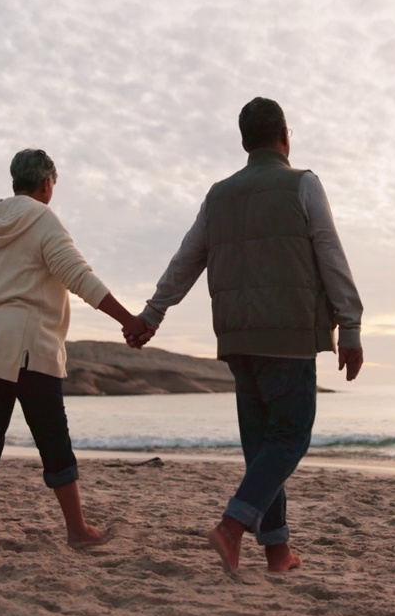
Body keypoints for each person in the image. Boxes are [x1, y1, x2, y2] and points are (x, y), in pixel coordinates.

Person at [128, 97, 364, 573]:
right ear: (285, 137)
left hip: (237, 337)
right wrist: (351, 326)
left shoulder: (218, 196)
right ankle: (232, 528)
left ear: (243, 142)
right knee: (290, 438)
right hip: (289, 332)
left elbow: (187, 259)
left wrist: (153, 313)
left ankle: (277, 552)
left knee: (262, 448)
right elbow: (330, 254)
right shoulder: (303, 184)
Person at [0, 148, 150, 544]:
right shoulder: (43, 218)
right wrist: (129, 320)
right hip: (27, 343)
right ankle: (77, 530)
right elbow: (78, 275)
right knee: (53, 438)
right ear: (46, 184)